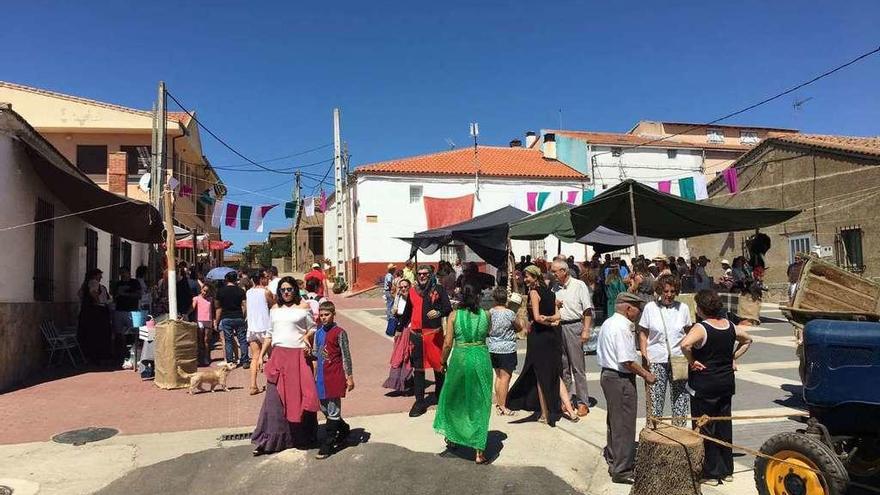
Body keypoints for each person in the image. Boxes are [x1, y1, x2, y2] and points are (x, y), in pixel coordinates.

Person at [680, 289, 753, 485]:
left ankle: (711, 473)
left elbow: (685, 345)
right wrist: (732, 357)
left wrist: (692, 360)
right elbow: (748, 340)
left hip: (704, 384)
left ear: (701, 308)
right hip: (725, 383)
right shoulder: (729, 325)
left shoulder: (701, 328)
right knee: (723, 425)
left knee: (705, 427)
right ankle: (727, 470)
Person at [251, 277, 320, 455]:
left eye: (289, 289)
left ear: (295, 290)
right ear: (279, 292)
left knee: (299, 398)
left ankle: (302, 437)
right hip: (279, 356)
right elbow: (269, 334)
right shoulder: (274, 309)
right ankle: (269, 440)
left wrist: (307, 338)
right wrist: (260, 357)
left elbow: (313, 327)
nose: (286, 292)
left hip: (297, 357)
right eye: (283, 290)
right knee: (274, 399)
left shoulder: (304, 307)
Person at [597, 292, 657, 485]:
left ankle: (615, 460)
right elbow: (627, 360)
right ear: (628, 308)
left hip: (608, 376)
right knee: (624, 424)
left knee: (615, 421)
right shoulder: (623, 327)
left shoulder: (609, 322)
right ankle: (622, 470)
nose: (639, 312)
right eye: (638, 308)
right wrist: (646, 374)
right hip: (620, 378)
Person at [433, 284, 494, 464]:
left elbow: (447, 343)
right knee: (481, 401)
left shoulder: (454, 315)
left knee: (454, 399)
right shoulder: (486, 314)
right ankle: (479, 451)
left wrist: (443, 361)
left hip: (460, 359)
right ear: (478, 298)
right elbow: (487, 333)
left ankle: (453, 437)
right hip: (481, 357)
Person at [507, 265, 564, 425]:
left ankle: (544, 414)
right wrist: (552, 320)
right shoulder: (551, 293)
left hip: (538, 336)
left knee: (539, 374)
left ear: (535, 277)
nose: (525, 279)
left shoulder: (534, 292)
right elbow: (558, 316)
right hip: (551, 336)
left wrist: (546, 319)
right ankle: (549, 410)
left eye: (527, 276)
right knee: (550, 373)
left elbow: (538, 317)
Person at [638, 274, 692, 426]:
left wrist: (690, 355)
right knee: (655, 399)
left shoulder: (683, 308)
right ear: (660, 291)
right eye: (666, 291)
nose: (669, 295)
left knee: (680, 398)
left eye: (672, 291)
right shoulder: (650, 308)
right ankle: (654, 431)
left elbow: (689, 332)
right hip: (656, 358)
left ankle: (679, 431)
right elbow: (643, 333)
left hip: (679, 358)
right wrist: (644, 354)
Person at [401, 265, 452, 417]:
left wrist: (438, 312)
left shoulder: (439, 289)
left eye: (425, 274)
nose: (422, 276)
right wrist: (398, 327)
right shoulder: (412, 291)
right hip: (416, 336)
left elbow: (448, 308)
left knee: (439, 366)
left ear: (430, 275)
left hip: (434, 335)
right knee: (418, 369)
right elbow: (407, 312)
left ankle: (441, 395)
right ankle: (419, 401)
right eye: (420, 274)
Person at [550, 259, 593, 416]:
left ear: (564, 271)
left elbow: (587, 310)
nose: (553, 274)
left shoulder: (578, 285)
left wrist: (586, 330)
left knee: (577, 367)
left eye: (555, 271)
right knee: (563, 366)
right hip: (559, 326)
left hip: (574, 326)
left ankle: (583, 402)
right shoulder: (555, 287)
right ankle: (566, 400)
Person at [312, 301, 354, 459]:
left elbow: (346, 355)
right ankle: (343, 429)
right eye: (321, 315)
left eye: (326, 315)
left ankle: (328, 445)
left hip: (335, 375)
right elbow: (317, 353)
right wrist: (309, 353)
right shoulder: (318, 333)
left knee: (333, 409)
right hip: (321, 376)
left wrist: (349, 377)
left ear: (333, 314)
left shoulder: (340, 332)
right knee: (324, 408)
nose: (324, 318)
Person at [488, 287, 519, 416]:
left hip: (493, 347)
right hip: (507, 348)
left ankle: (499, 403)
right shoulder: (510, 313)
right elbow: (519, 326)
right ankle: (502, 405)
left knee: (499, 377)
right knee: (505, 378)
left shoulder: (490, 312)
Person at [383, 278, 414, 394]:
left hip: (409, 328)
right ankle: (399, 383)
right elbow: (393, 311)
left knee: (406, 355)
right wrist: (394, 311)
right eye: (401, 287)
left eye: (406, 287)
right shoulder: (398, 297)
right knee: (398, 355)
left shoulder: (413, 299)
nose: (403, 289)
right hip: (399, 329)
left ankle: (406, 382)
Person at [246, 271, 275, 394]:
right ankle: (273, 383)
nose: (268, 279)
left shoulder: (248, 292)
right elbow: (273, 304)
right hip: (265, 327)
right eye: (266, 277)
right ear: (262, 279)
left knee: (255, 357)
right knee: (272, 356)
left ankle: (253, 385)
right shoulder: (266, 292)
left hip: (252, 327)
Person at [77, 268, 113, 363]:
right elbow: (93, 293)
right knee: (98, 333)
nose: (101, 277)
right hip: (97, 311)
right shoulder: (94, 283)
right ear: (95, 275)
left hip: (87, 312)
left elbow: (79, 294)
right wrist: (98, 302)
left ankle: (90, 355)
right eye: (99, 275)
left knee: (89, 333)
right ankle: (98, 356)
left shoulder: (85, 284)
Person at [215, 271, 249, 368]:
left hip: (226, 317)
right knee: (242, 339)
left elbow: (218, 307)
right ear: (236, 280)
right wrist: (243, 316)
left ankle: (230, 361)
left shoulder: (220, 291)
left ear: (226, 279)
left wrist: (216, 321)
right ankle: (245, 360)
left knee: (228, 340)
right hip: (238, 317)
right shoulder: (241, 291)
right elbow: (244, 306)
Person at [192, 284, 216, 366]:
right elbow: (192, 308)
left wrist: (214, 320)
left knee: (206, 340)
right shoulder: (196, 298)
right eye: (204, 290)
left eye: (207, 291)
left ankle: (206, 357)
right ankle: (199, 358)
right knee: (199, 340)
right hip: (199, 320)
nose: (205, 293)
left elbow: (213, 310)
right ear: (201, 290)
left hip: (208, 320)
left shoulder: (211, 299)